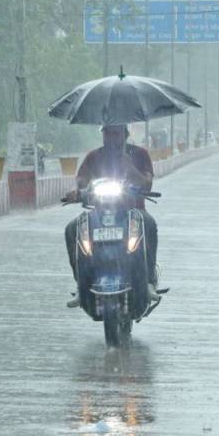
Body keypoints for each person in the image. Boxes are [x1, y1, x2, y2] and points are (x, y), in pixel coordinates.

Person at [64, 123, 158, 308]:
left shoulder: (140, 154)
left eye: (116, 134)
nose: (112, 138)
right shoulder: (94, 156)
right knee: (72, 228)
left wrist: (130, 167)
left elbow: (147, 184)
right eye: (108, 134)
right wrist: (78, 190)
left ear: (125, 134)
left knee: (149, 224)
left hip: (132, 211)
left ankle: (149, 280)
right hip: (99, 213)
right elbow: (82, 179)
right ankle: (81, 284)